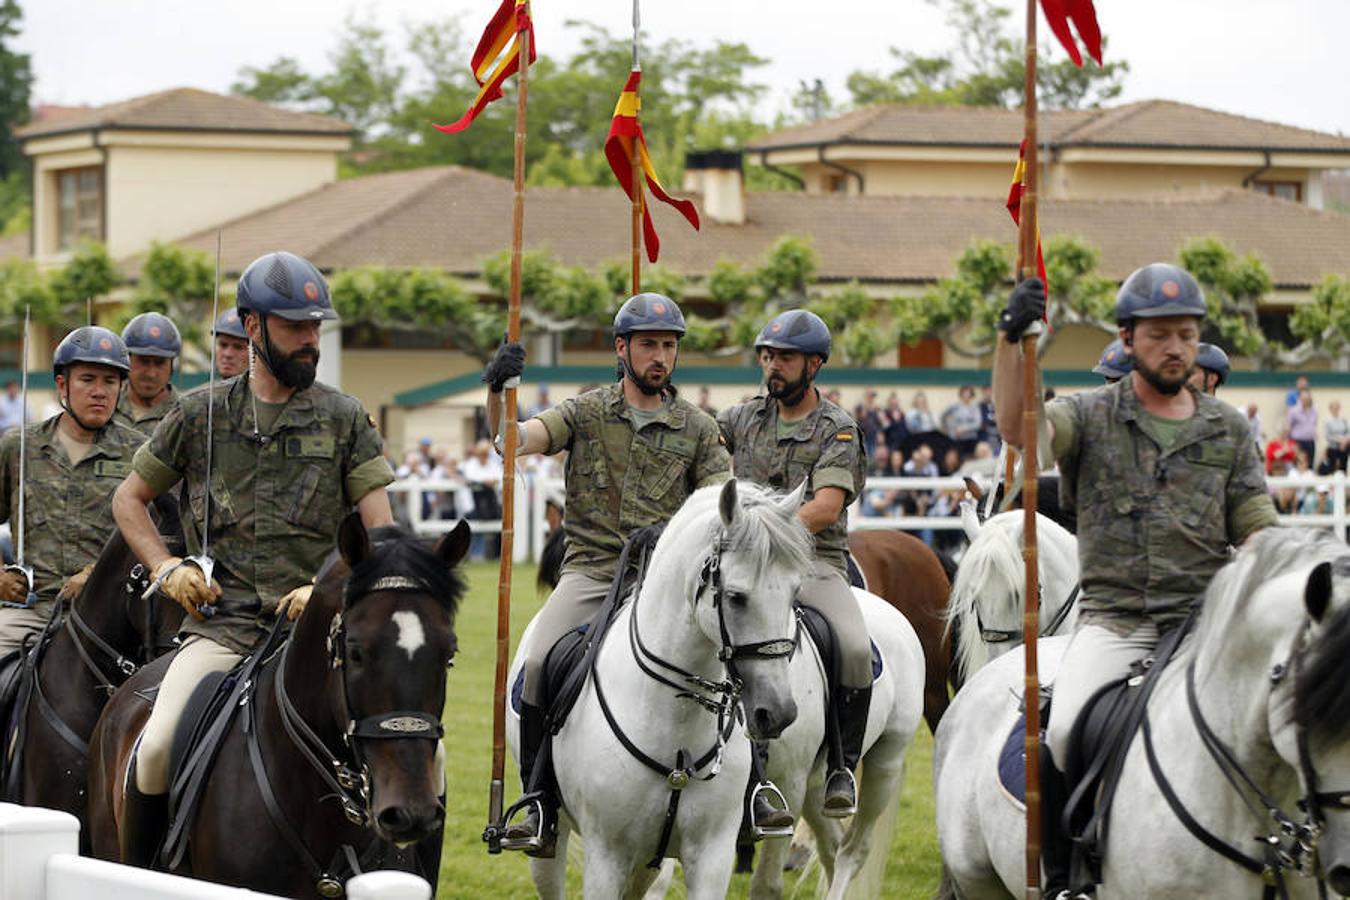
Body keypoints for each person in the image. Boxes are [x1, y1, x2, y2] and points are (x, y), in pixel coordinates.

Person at [992, 263, 1277, 900]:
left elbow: (1256, 521)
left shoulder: (1227, 428)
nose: (1173, 346)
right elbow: (1021, 430)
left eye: (1185, 333)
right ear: (1127, 339)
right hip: (1117, 623)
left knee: (1282, 714)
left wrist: (1272, 572)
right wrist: (1012, 342)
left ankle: (1294, 854)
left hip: (1208, 624)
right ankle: (1074, 875)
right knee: (1061, 730)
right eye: (1157, 335)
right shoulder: (1089, 417)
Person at [110, 250, 396, 868]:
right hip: (226, 628)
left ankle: (407, 879)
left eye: (316, 326)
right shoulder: (197, 414)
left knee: (422, 751)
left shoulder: (345, 418)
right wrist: (167, 567)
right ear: (252, 326)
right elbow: (129, 501)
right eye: (296, 326)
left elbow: (381, 533)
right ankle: (146, 878)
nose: (311, 340)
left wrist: (329, 588)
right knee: (156, 746)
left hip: (320, 635)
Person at [482, 292, 730, 856]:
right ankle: (540, 802)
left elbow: (719, 501)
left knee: (736, 661)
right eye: (649, 345)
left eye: (669, 346)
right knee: (541, 665)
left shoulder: (697, 427)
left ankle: (748, 794)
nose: (660, 356)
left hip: (664, 582)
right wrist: (497, 391)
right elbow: (511, 443)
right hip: (591, 571)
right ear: (622, 348)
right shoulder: (585, 411)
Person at [717, 309, 872, 820]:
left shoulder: (838, 429)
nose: (773, 366)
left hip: (814, 563)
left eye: (785, 357)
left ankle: (842, 766)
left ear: (815, 364)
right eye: (767, 356)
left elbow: (826, 507)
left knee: (852, 646)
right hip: (745, 564)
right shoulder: (741, 419)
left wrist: (759, 538)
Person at [0, 327, 145, 656]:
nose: (99, 391)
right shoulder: (19, 446)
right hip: (33, 611)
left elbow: (162, 535)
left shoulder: (141, 453)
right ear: (62, 385)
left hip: (110, 615)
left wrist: (98, 575)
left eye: (110, 382)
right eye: (87, 379)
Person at [114, 312, 182, 435]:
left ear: (172, 366)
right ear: (127, 360)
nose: (151, 373)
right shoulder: (106, 405)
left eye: (160, 363)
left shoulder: (185, 414)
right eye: (143, 361)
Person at [941, 385, 982, 457]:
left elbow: (978, 424)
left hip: (971, 439)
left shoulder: (975, 408)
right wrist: (947, 429)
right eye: (964, 393)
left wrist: (965, 428)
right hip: (957, 439)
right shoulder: (954, 406)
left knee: (971, 459)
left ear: (971, 395)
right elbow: (943, 416)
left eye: (968, 393)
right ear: (961, 394)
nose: (966, 395)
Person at [211, 308, 250, 379]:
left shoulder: (266, 389)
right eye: (223, 345)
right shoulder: (208, 389)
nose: (228, 354)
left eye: (238, 347)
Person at [1287, 388, 1318, 465]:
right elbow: (1289, 427)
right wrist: (1291, 443)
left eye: (1307, 398)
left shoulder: (1314, 411)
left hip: (1310, 441)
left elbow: (1314, 424)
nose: (1306, 400)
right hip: (1298, 442)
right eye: (1303, 398)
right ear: (1299, 398)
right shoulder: (1293, 411)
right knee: (1298, 464)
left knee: (1310, 465)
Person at [1323, 400, 1350, 473]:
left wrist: (1345, 441)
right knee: (1333, 468)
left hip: (1344, 447)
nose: (1335, 409)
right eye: (1333, 408)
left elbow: (1348, 431)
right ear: (1330, 409)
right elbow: (1327, 436)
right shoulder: (1327, 420)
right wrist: (1339, 440)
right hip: (1333, 448)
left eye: (1337, 407)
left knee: (1343, 467)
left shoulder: (1343, 419)